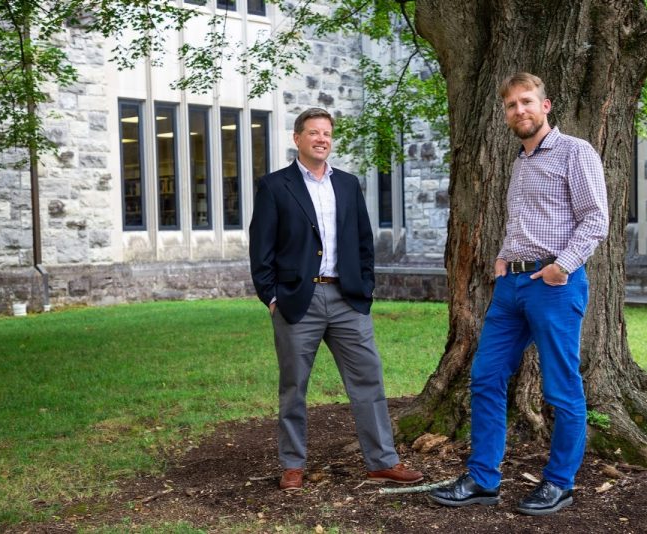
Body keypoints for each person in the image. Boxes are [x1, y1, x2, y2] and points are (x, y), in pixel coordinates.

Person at [430, 72, 609, 515]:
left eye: (526, 101)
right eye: (511, 105)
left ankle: (559, 483)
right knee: (486, 377)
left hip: (555, 287)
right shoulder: (520, 161)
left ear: (545, 105)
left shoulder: (575, 151)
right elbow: (527, 221)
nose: (519, 111)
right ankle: (483, 479)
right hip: (511, 287)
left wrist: (560, 267)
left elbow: (595, 219)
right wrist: (503, 259)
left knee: (561, 389)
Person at [249, 107, 423, 492]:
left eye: (326, 133)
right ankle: (293, 464)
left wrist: (366, 287)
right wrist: (272, 297)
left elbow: (364, 242)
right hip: (298, 301)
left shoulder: (347, 184)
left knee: (369, 380)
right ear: (297, 139)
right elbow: (260, 249)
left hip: (347, 299)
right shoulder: (275, 186)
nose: (321, 139)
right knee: (294, 386)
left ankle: (382, 461)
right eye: (313, 132)